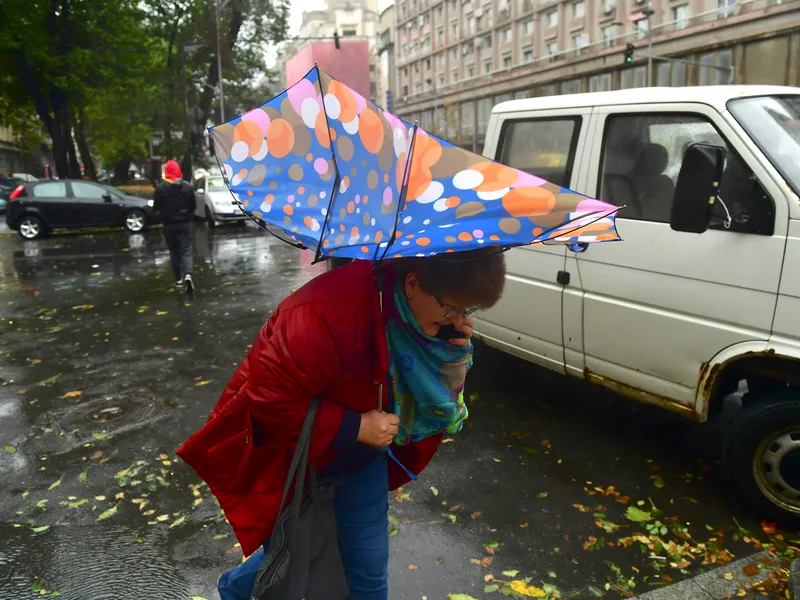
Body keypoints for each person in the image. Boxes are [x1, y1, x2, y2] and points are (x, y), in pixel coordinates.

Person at [176, 248, 506, 600]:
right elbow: (269, 397)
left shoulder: (419, 313)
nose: (458, 320)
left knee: (368, 570)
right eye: (452, 308)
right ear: (412, 284)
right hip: (294, 456)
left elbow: (433, 399)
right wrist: (355, 427)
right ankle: (233, 591)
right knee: (293, 556)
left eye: (465, 312)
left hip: (361, 459)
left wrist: (446, 350)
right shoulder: (323, 312)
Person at [153, 160, 196, 292]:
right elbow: (193, 205)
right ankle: (188, 275)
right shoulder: (188, 188)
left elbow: (156, 207)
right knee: (186, 251)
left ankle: (178, 280)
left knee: (174, 252)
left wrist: (162, 217)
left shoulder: (160, 189)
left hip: (169, 225)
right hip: (185, 224)